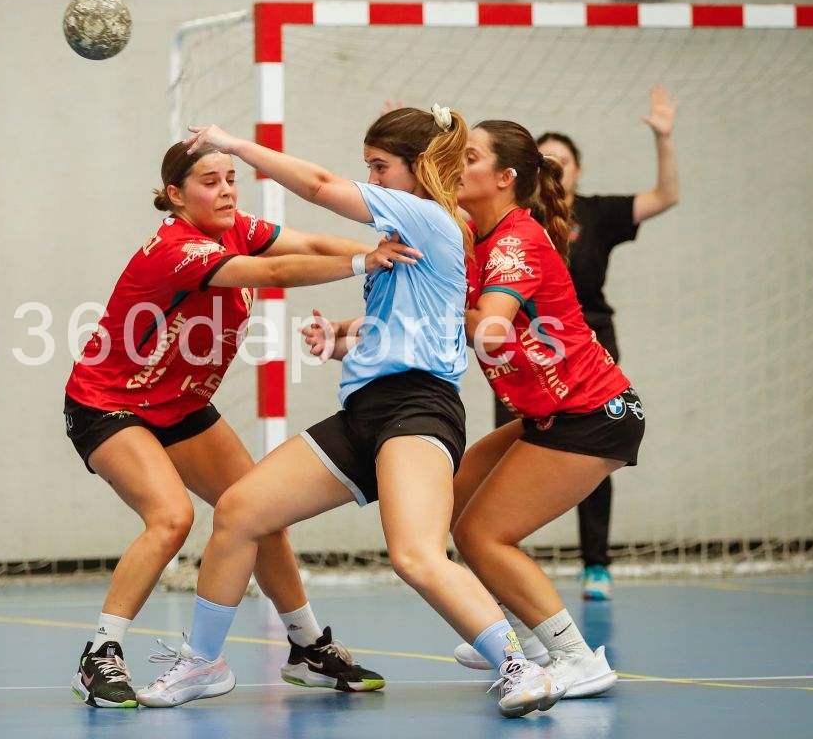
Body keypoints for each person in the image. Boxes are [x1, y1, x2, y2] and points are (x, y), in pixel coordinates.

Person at [138, 107, 565, 719]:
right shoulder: (411, 235)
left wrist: (234, 144)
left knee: (415, 554)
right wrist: (343, 340)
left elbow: (314, 184)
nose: (373, 179)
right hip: (368, 410)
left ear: (418, 171)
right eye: (368, 168)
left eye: (380, 168)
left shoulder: (425, 215)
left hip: (418, 412)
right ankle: (204, 662)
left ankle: (519, 666)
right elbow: (410, 326)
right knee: (239, 511)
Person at [64, 139, 413, 708]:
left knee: (259, 512)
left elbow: (313, 241)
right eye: (210, 181)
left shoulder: (238, 228)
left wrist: (386, 249)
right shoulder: (176, 250)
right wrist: (362, 261)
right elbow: (275, 270)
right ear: (176, 195)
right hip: (110, 403)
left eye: (231, 178)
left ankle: (306, 647)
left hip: (180, 405)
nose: (226, 190)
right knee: (171, 517)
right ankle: (100, 653)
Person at [451, 119, 647, 697]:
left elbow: (488, 327)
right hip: (550, 415)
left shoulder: (516, 240)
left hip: (593, 414)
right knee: (457, 491)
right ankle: (526, 637)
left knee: (484, 536)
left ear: (506, 178)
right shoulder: (475, 236)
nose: (456, 167)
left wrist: (428, 315)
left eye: (468, 157)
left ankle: (575, 657)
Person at [519, 85, 678, 601]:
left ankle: (596, 565)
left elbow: (665, 197)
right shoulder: (515, 221)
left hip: (591, 344)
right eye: (544, 158)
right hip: (525, 348)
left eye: (561, 158)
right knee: (516, 448)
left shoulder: (600, 213)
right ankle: (501, 558)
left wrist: (664, 139)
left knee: (588, 451)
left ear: (578, 170)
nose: (553, 165)